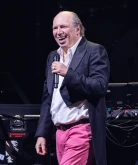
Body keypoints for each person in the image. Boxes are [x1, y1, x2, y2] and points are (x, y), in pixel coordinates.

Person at [35, 11, 110, 165]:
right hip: (59, 134)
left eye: (63, 26)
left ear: (77, 29)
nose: (58, 32)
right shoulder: (53, 57)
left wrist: (67, 73)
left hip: (81, 130)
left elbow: (99, 87)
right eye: (55, 28)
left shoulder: (94, 51)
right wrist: (42, 133)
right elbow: (48, 98)